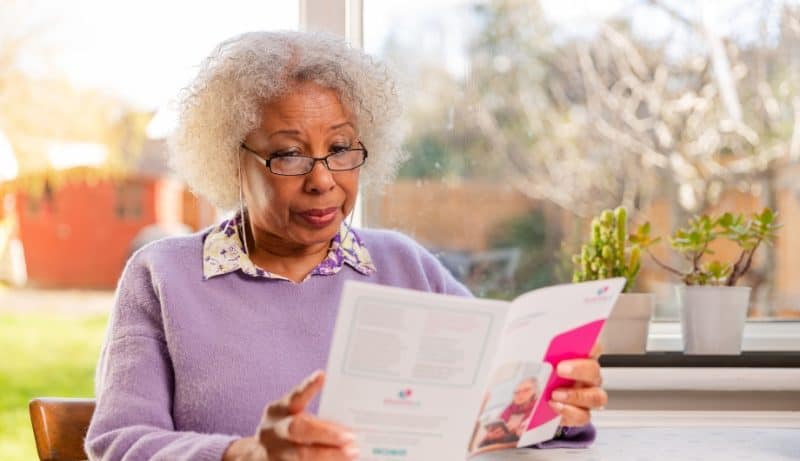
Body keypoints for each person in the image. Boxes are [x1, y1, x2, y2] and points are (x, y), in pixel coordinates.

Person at [85, 31, 607, 461]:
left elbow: (492, 409)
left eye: (339, 149)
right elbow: (117, 442)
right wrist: (247, 454)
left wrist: (555, 407)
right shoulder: (163, 276)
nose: (323, 180)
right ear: (231, 158)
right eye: (289, 154)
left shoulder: (404, 264)